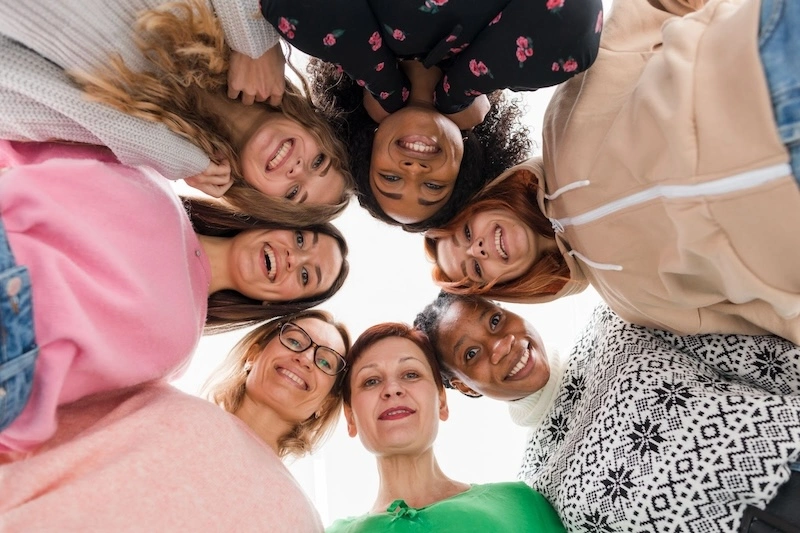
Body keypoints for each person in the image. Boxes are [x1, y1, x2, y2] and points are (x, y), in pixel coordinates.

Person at [426, 0, 800, 344]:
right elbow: (759, 319)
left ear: (482, 203)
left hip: (769, 63)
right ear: (503, 285)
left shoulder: (560, 123)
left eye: (466, 232)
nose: (478, 248)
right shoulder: (631, 302)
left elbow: (656, 8)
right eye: (474, 267)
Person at [0, 140, 349, 453]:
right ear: (277, 220)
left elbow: (78, 413)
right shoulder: (150, 178)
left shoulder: (177, 349)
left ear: (279, 303)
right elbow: (21, 138)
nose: (294, 257)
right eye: (302, 240)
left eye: (306, 275)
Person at [414, 292, 800, 531]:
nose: (501, 345)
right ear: (463, 385)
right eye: (471, 354)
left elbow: (760, 356)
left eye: (495, 320)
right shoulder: (539, 485)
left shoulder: (615, 323)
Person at [0, 0, 354, 226]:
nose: (296, 171)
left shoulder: (152, 145)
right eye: (319, 161)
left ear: (258, 195)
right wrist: (255, 41)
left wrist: (178, 156)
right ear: (315, 125)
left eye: (293, 194)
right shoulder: (259, 29)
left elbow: (14, 99)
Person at [260, 0, 603, 229]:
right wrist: (458, 91)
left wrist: (384, 84)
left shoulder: (351, 41)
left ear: (368, 144)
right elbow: (573, 23)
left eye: (390, 179)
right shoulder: (530, 67)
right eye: (433, 185)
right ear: (464, 163)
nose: (414, 170)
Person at [327, 322, 565, 532]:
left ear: (441, 401)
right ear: (350, 417)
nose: (392, 389)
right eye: (371, 381)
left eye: (410, 374)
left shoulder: (520, 503)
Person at [203, 310, 350, 458]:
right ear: (253, 355)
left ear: (326, 404)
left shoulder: (281, 482)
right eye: (295, 341)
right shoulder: (184, 416)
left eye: (324, 362)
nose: (305, 358)